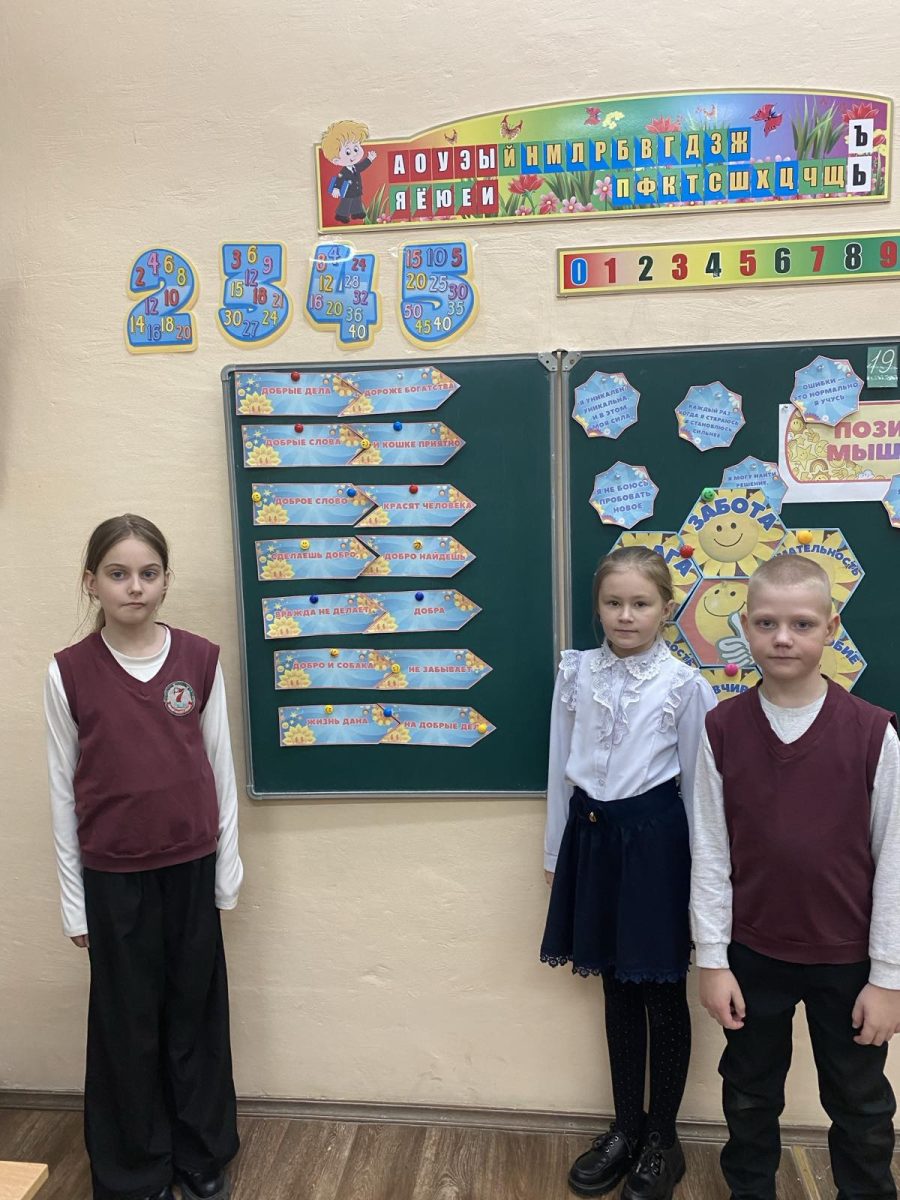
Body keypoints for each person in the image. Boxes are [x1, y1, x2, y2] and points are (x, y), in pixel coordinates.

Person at [44, 514, 243, 1200]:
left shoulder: (199, 660)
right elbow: (61, 790)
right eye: (118, 574)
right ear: (92, 583)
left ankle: (200, 1153)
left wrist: (227, 870)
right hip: (113, 878)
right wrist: (74, 902)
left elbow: (220, 768)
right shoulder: (68, 673)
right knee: (126, 1026)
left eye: (148, 573)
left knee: (194, 1015)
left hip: (190, 868)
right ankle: (135, 1169)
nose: (135, 587)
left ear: (165, 580)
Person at [691, 554, 900, 1200]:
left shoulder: (874, 733)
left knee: (860, 1105)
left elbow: (894, 860)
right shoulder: (722, 728)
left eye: (802, 624)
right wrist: (712, 960)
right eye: (767, 623)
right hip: (753, 954)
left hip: (848, 960)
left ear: (830, 628)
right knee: (749, 1095)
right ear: (744, 626)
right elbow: (710, 851)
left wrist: (889, 978)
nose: (783, 638)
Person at [541, 545, 716, 1200]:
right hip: (593, 840)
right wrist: (556, 854)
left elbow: (701, 790)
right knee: (615, 989)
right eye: (613, 603)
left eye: (640, 603)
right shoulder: (576, 672)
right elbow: (559, 763)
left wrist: (702, 882)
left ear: (666, 609)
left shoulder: (685, 686)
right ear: (598, 607)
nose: (625, 615)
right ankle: (625, 1126)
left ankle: (662, 1139)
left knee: (661, 993)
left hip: (657, 849)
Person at [322, 119, 377, 223]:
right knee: (346, 203)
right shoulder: (344, 172)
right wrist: (336, 188)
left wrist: (369, 159)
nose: (354, 154)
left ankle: (357, 212)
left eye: (356, 149)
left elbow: (362, 166)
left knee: (357, 202)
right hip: (347, 192)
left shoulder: (355, 167)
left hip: (356, 190)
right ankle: (341, 215)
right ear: (336, 160)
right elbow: (339, 179)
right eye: (348, 152)